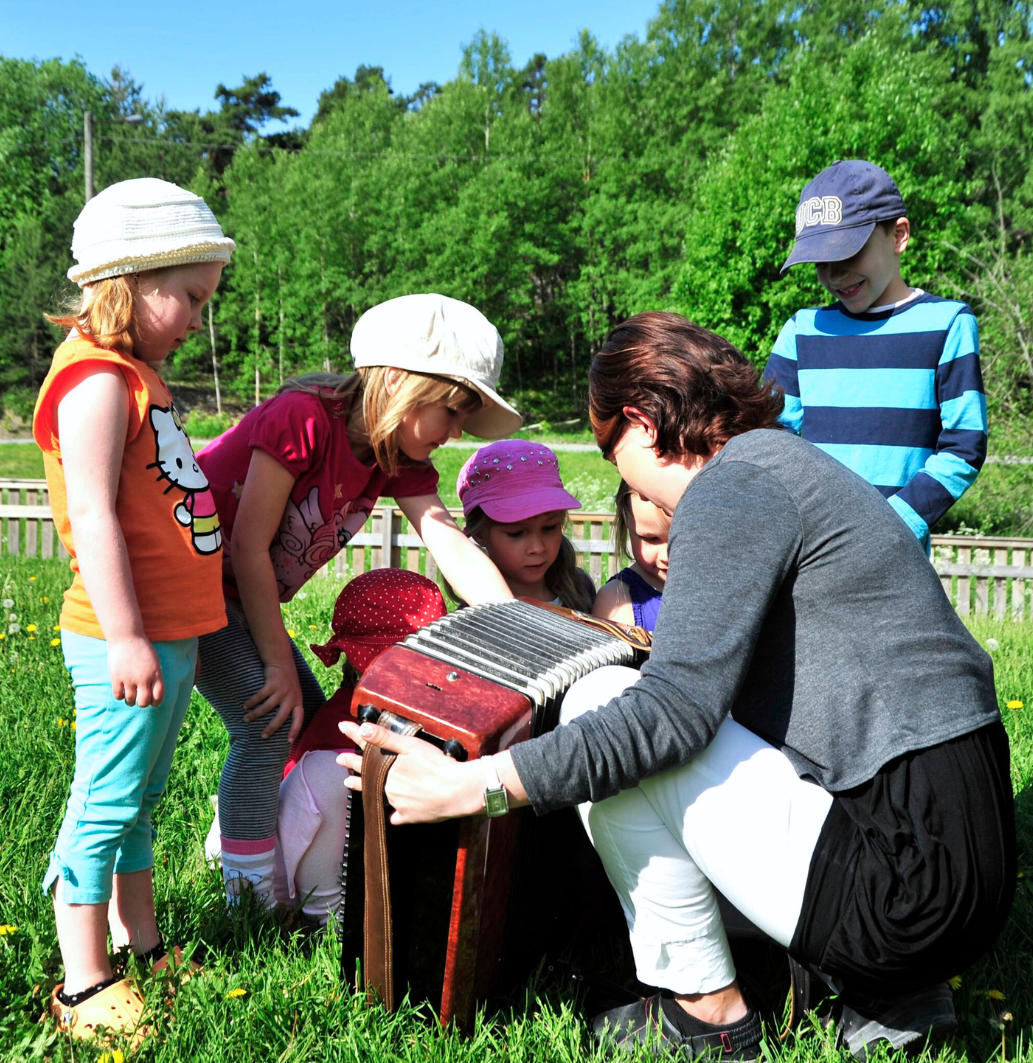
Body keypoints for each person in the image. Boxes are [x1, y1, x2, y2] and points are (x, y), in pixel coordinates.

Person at [339, 312, 1016, 1062]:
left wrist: (477, 786)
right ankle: (879, 988)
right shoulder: (796, 468)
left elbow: (673, 713)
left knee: (605, 705)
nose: (621, 479)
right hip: (952, 866)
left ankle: (709, 1015)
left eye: (608, 449)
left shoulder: (735, 487)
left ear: (639, 420)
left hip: (904, 890)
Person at [194, 293, 520, 908]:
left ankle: (259, 845)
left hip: (238, 596)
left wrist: (515, 624)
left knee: (309, 722)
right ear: (399, 382)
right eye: (452, 411)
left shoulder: (393, 454)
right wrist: (272, 664)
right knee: (267, 725)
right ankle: (252, 899)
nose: (455, 434)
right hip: (191, 589)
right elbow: (247, 546)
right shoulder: (304, 418)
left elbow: (446, 539)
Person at [33, 178, 234, 1044]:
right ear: (132, 279)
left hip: (169, 634)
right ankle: (84, 983)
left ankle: (141, 944)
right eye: (189, 297)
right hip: (128, 637)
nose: (198, 318)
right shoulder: (95, 381)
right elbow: (93, 514)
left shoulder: (136, 376)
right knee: (105, 802)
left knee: (142, 797)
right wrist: (124, 636)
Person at [763, 159, 988, 552]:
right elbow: (769, 439)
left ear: (898, 235)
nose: (834, 275)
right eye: (821, 261)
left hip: (895, 561)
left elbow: (964, 445)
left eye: (849, 254)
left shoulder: (948, 324)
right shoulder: (801, 332)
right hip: (810, 555)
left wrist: (889, 524)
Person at [273, 569, 448, 922]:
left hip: (351, 857)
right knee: (333, 775)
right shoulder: (343, 728)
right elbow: (302, 813)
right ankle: (325, 917)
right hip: (293, 865)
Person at [455, 439, 595, 611]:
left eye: (549, 527)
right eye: (516, 533)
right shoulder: (474, 612)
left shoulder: (580, 589)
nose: (537, 548)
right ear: (480, 534)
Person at [592, 480, 668, 629]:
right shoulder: (617, 600)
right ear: (628, 525)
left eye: (681, 537)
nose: (666, 556)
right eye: (651, 539)